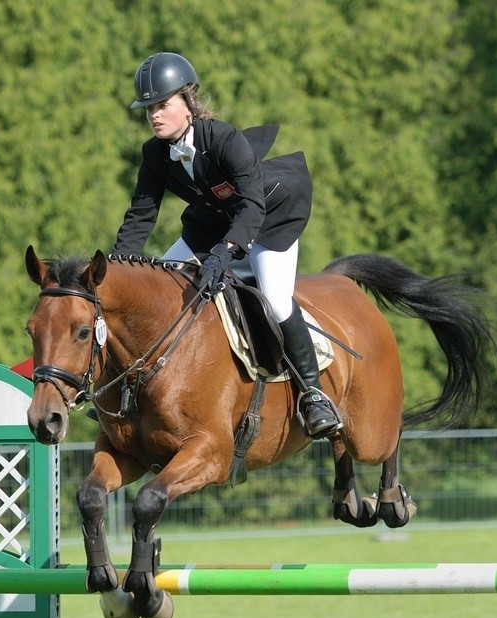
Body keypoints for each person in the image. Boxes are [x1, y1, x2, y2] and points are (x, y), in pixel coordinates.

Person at [112, 52, 341, 439]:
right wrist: (117, 268)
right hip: (212, 222)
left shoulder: (223, 138)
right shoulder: (154, 153)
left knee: (276, 300)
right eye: (149, 108)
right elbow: (141, 214)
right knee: (157, 285)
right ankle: (125, 390)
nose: (154, 115)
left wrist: (227, 250)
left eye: (163, 105)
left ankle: (313, 394)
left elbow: (252, 205)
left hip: (269, 219)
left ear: (188, 102)